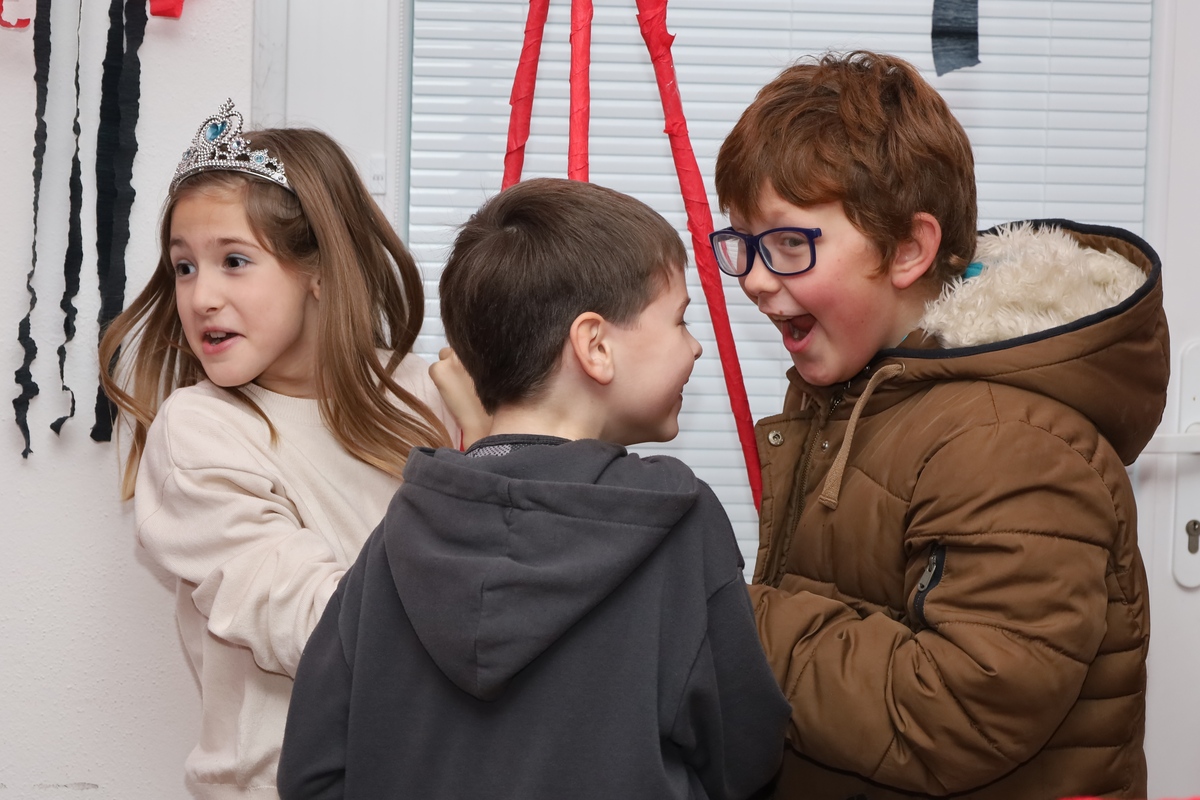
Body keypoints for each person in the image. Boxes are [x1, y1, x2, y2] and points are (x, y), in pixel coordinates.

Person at [711, 51, 1166, 799]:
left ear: (909, 250)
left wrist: (728, 621)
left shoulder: (1008, 442)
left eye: (790, 244)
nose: (756, 280)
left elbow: (958, 712)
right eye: (744, 244)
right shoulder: (863, 400)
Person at [276, 177, 791, 800]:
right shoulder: (679, 524)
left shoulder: (399, 533)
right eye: (680, 320)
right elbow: (744, 752)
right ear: (595, 345)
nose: (697, 346)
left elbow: (311, 772)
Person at [98, 99, 461, 799]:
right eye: (183, 267)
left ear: (319, 269)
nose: (200, 296)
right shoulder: (200, 430)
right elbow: (319, 627)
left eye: (234, 261)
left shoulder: (433, 394)